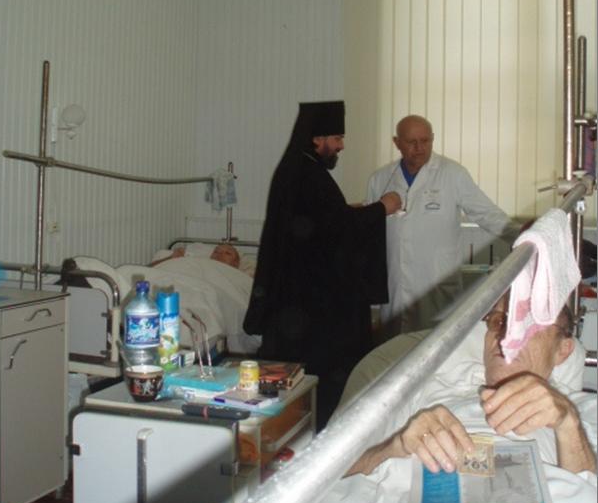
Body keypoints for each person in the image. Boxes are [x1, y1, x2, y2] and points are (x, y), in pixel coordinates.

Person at [265, 296, 597, 503]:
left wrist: (567, 422)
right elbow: (332, 472)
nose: (507, 334)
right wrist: (396, 445)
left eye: (528, 323)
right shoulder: (422, 388)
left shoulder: (581, 411)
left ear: (563, 349)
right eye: (498, 321)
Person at [243, 100, 403, 430]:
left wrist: (352, 211)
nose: (341, 146)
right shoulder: (307, 174)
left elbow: (323, 222)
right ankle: (323, 431)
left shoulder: (300, 170)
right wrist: (382, 208)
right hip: (312, 306)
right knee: (324, 373)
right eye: (337, 138)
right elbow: (337, 228)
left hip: (299, 296)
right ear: (317, 139)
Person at [367, 114, 520, 337]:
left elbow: (486, 213)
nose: (419, 148)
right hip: (395, 287)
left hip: (437, 284)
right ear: (396, 142)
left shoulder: (452, 173)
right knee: (394, 350)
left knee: (434, 346)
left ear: (433, 139)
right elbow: (370, 234)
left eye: (425, 141)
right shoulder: (380, 179)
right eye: (411, 142)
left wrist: (523, 235)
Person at [149, 243, 242, 269]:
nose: (220, 254)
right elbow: (148, 269)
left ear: (236, 264)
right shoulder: (195, 262)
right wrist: (170, 258)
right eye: (216, 251)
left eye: (227, 253)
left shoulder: (236, 277)